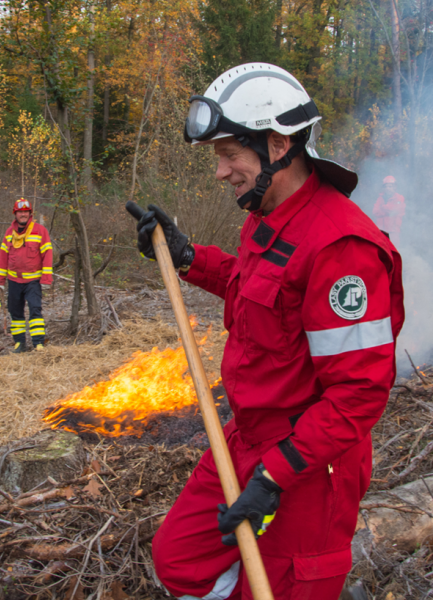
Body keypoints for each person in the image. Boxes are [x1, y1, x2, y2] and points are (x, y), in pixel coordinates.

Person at [140, 63, 404, 599]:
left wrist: (275, 475)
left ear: (278, 145)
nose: (221, 172)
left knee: (286, 587)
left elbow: (358, 396)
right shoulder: (268, 211)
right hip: (247, 439)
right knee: (179, 559)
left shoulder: (342, 248)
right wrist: (187, 255)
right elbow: (255, 288)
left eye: (229, 154)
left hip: (310, 467)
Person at [0, 198, 53, 353]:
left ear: (30, 213)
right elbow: (3, 256)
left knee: (35, 309)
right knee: (15, 312)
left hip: (33, 280)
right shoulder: (9, 233)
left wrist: (46, 278)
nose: (23, 214)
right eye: (20, 212)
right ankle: (19, 344)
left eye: (26, 212)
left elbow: (47, 254)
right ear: (15, 214)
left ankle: (38, 344)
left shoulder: (40, 231)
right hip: (14, 281)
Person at [372, 175, 405, 245]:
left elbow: (395, 210)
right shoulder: (380, 197)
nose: (387, 188)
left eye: (390, 186)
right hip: (381, 231)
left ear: (394, 187)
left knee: (393, 253)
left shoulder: (399, 198)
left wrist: (382, 208)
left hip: (393, 232)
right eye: (386, 186)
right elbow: (375, 212)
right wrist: (387, 210)